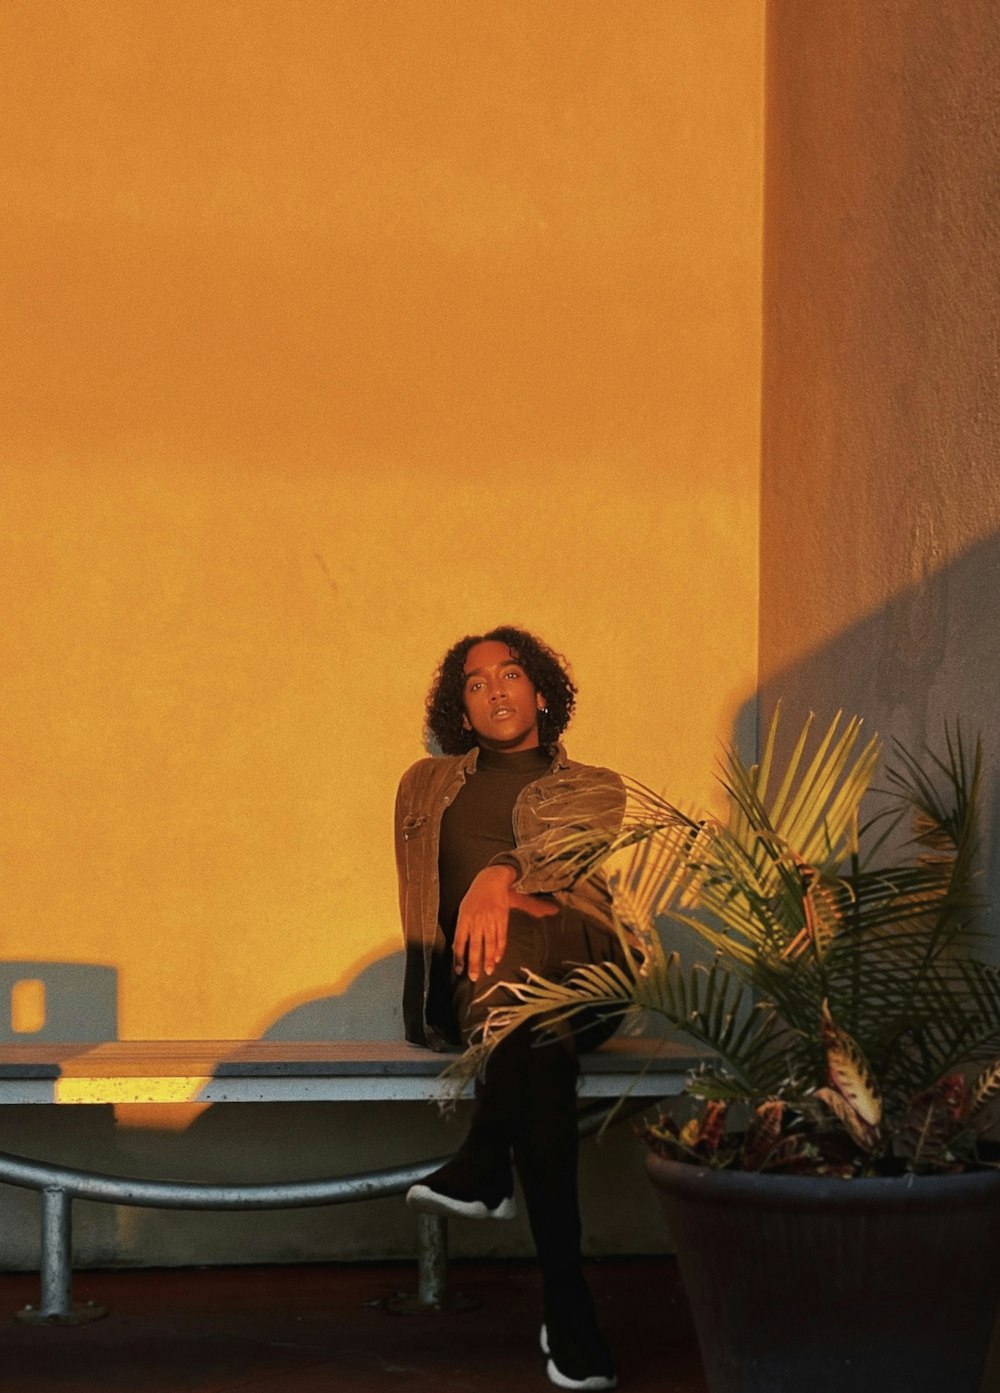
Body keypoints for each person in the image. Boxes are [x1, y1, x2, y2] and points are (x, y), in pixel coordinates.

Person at [394, 625, 626, 1392]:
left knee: (529, 924)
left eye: (511, 673)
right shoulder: (426, 785)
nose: (496, 688)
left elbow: (563, 858)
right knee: (538, 1045)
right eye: (475, 681)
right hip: (489, 993)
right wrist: (495, 901)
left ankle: (487, 1153)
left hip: (590, 970)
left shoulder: (596, 782)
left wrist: (502, 878)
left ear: (539, 691)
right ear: (461, 709)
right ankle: (569, 1311)